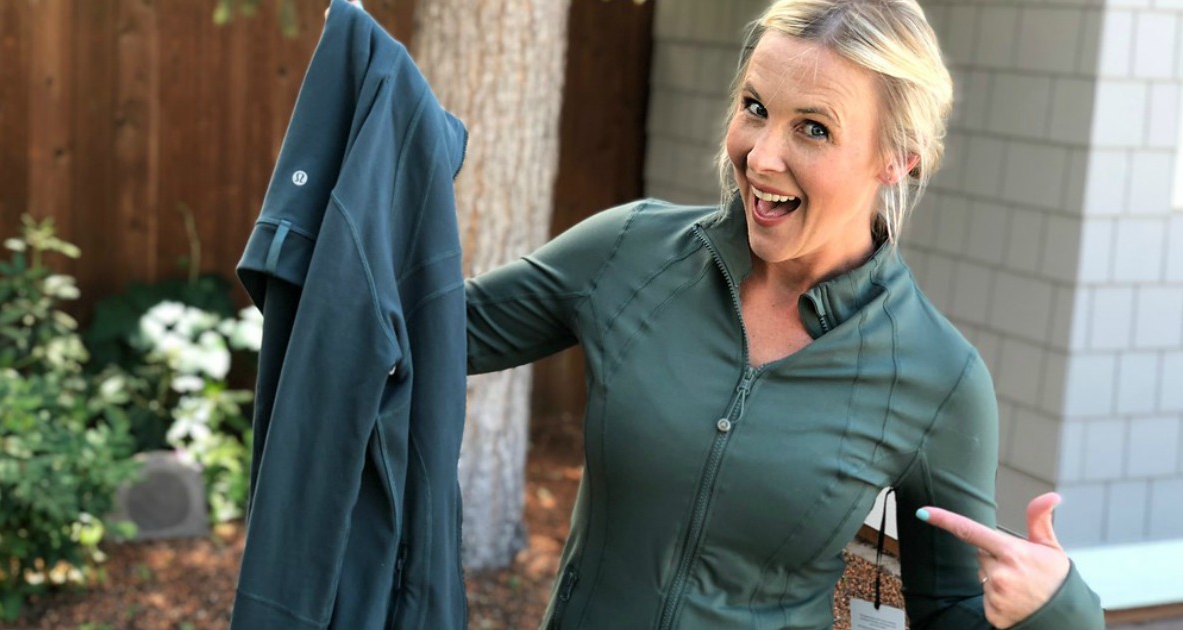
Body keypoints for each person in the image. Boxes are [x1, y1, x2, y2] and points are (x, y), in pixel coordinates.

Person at [462, 0, 1105, 629]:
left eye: (813, 128)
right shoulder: (630, 252)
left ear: (897, 158)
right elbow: (431, 331)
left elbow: (950, 610)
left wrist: (1059, 613)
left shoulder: (939, 378)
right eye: (755, 108)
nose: (761, 157)